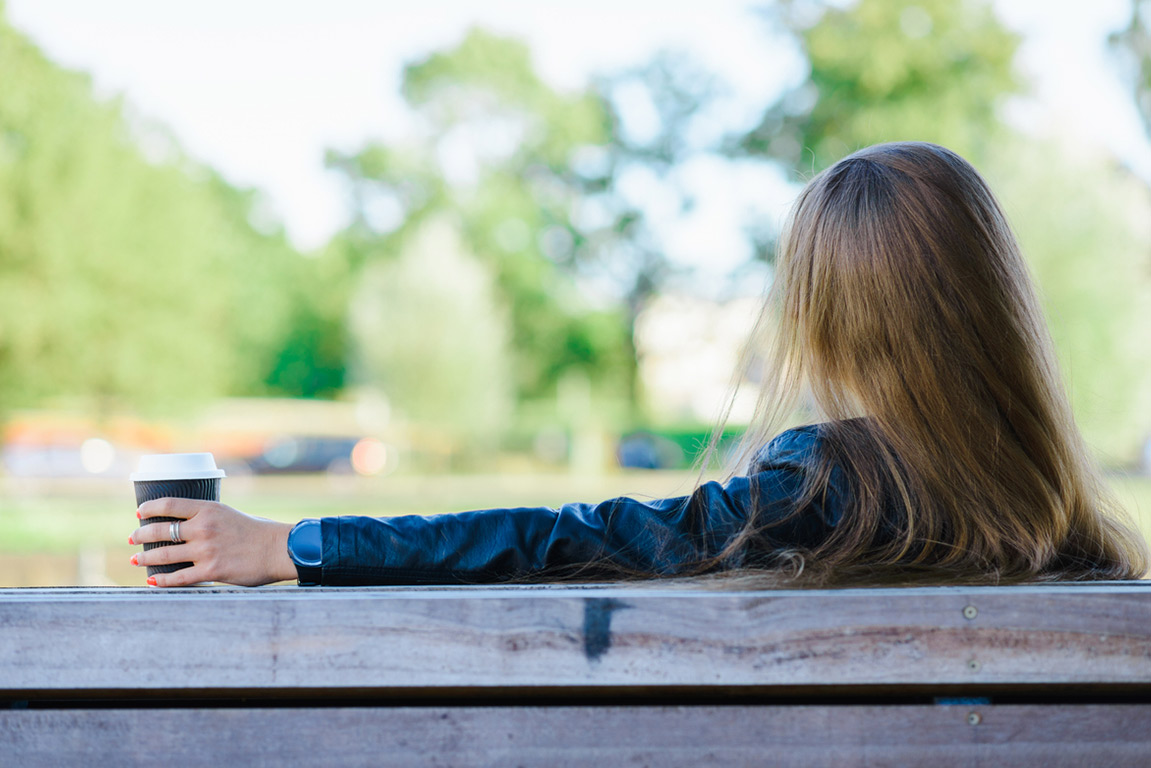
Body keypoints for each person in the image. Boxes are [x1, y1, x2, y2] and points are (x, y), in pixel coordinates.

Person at [129, 141, 1150, 588]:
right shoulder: (1069, 528)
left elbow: (557, 542)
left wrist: (290, 546)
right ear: (992, 313)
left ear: (830, 321)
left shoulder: (819, 490)